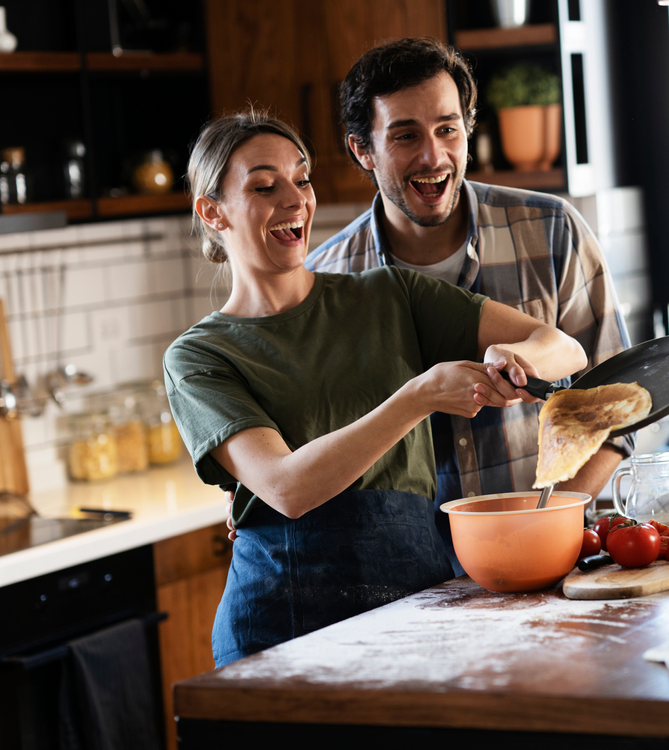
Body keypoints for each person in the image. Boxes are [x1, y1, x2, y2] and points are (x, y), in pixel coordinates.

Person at [164, 110, 587, 667]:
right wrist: (419, 396)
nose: (295, 200)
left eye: (302, 178)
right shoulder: (199, 355)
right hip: (279, 631)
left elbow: (563, 347)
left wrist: (515, 356)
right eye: (265, 186)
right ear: (212, 211)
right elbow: (287, 488)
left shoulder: (391, 294)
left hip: (414, 605)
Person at [303, 37, 632, 571]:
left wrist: (542, 521)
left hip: (551, 556)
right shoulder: (325, 280)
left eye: (447, 128)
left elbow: (617, 410)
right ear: (362, 150)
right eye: (405, 135)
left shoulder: (552, 231)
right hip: (399, 582)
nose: (433, 156)